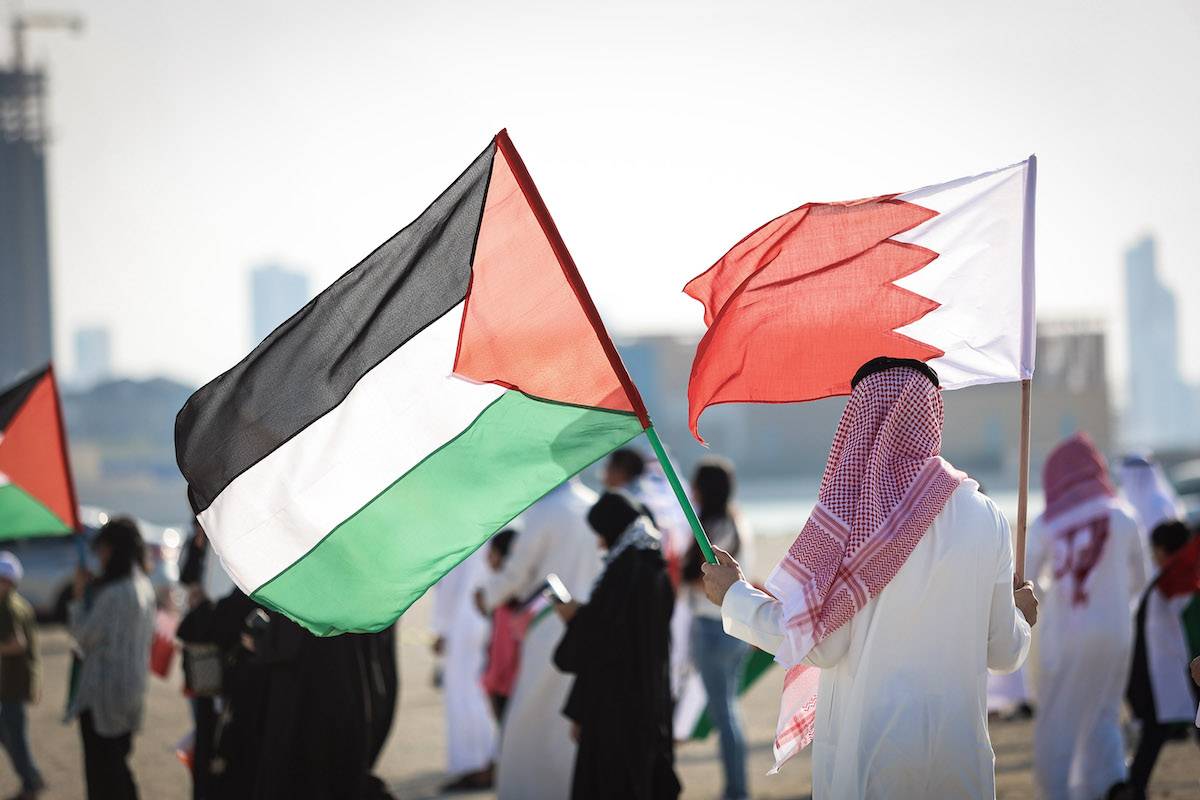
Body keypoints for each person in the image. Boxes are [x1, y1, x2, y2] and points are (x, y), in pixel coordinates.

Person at [702, 357, 1036, 798]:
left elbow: (821, 645)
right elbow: (1004, 652)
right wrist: (1022, 616)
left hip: (875, 758)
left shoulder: (853, 518)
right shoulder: (985, 514)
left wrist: (736, 599)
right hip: (960, 764)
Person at [1025, 433, 1147, 800]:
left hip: (1065, 635)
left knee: (1058, 719)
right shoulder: (1123, 514)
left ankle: (1059, 792)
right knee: (1105, 712)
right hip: (1116, 630)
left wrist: (1059, 598)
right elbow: (1139, 581)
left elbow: (1028, 586)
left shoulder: (1045, 523)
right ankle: (1109, 785)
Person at [477, 478, 602, 800]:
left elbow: (517, 572)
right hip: (590, 622)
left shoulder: (545, 510)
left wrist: (487, 596)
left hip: (550, 624)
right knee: (571, 718)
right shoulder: (593, 502)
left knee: (527, 720)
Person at [553, 492, 680, 800]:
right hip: (649, 699)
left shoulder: (625, 571)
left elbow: (599, 642)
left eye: (601, 535)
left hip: (615, 708)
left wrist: (574, 616)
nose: (600, 544)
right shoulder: (653, 563)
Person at [67, 517, 158, 800]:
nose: (99, 555)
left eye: (103, 549)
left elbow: (83, 635)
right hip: (131, 690)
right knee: (119, 768)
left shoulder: (114, 594)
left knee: (103, 776)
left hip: (103, 696)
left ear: (115, 550)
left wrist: (79, 596)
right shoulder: (143, 586)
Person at [680, 457, 753, 800]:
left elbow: (694, 578)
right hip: (736, 627)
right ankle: (737, 788)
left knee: (724, 714)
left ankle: (736, 791)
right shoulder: (739, 520)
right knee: (729, 711)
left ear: (702, 489)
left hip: (713, 627)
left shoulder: (711, 526)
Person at [1125, 521, 1200, 798]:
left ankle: (1135, 786)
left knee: (1156, 727)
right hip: (1172, 668)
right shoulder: (1178, 576)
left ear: (1161, 550)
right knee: (1159, 727)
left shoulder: (1172, 579)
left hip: (1170, 669)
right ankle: (1135, 786)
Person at [433, 547, 497, 791]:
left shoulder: (463, 531)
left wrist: (441, 628)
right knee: (481, 696)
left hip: (466, 619)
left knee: (465, 697)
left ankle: (476, 767)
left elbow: (450, 584)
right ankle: (487, 761)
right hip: (490, 615)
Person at [0, 551, 43, 799]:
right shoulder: (18, 603)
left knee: (16, 737)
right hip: (17, 680)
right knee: (10, 733)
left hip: (13, 682)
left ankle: (31, 779)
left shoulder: (8, 607)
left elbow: (18, 643)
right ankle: (31, 775)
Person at [482, 529, 529, 723]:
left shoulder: (504, 604)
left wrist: (492, 683)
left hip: (506, 687)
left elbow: (503, 652)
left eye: (492, 554)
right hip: (519, 685)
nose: (488, 560)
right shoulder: (525, 595)